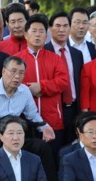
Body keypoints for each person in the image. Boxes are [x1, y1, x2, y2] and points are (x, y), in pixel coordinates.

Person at [15, 14, 69, 155]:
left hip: (52, 119)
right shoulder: (17, 59)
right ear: (26, 34)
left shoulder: (55, 58)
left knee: (51, 160)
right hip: (24, 120)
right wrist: (29, 90)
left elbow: (63, 82)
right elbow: (11, 84)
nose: (38, 35)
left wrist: (42, 87)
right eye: (34, 31)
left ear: (46, 36)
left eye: (41, 31)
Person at [44, 11, 84, 145]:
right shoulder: (44, 52)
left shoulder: (77, 54)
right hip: (54, 108)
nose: (62, 30)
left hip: (74, 108)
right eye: (57, 26)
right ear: (50, 28)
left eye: (65, 26)